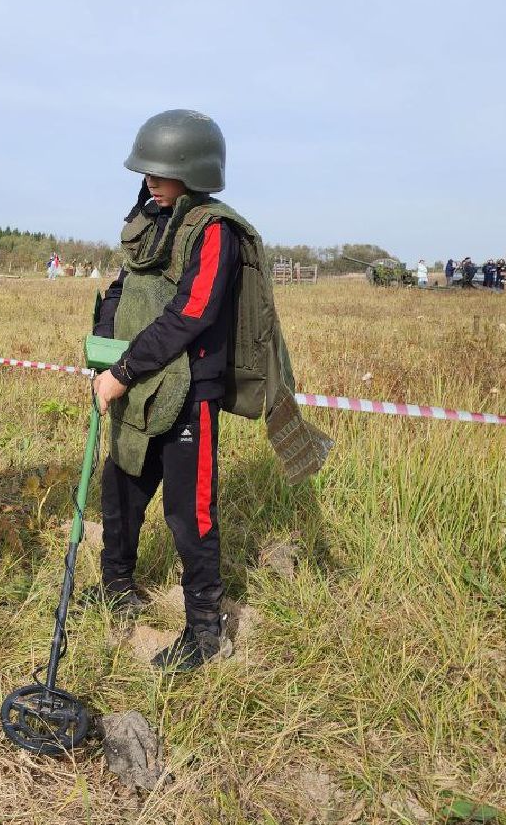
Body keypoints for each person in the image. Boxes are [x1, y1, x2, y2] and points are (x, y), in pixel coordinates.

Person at [89, 110, 331, 673]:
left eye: (159, 168)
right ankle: (114, 585)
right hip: (138, 384)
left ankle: (204, 630)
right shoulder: (149, 221)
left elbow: (191, 314)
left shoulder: (214, 232)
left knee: (188, 511)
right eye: (145, 168)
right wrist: (104, 350)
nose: (149, 177)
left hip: (187, 391)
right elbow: (122, 291)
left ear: (191, 170)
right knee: (121, 487)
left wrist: (122, 370)